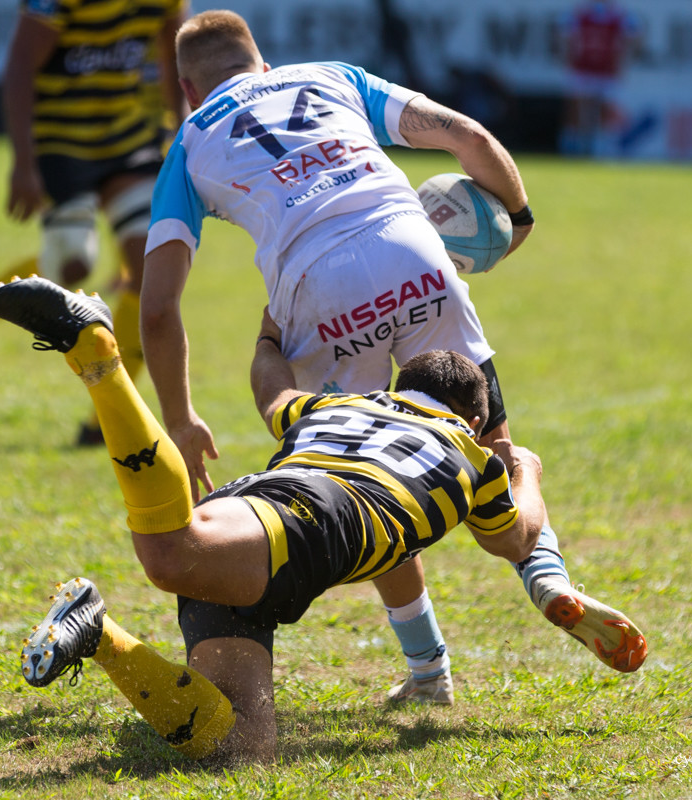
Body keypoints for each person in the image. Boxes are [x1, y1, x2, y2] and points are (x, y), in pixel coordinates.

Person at [139, 10, 643, 704]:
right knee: (491, 446)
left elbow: (158, 309)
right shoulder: (330, 78)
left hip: (318, 288)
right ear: (263, 64)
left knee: (363, 471)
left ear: (188, 90)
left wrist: (181, 418)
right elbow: (468, 137)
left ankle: (429, 670)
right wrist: (518, 218)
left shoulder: (191, 141)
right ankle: (548, 578)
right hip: (414, 253)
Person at [0, 275, 644, 764]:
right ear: (473, 418)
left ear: (399, 389)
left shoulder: (339, 405)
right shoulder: (474, 458)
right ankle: (100, 360)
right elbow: (519, 538)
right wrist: (526, 470)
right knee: (170, 554)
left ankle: (97, 634)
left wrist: (270, 331)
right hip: (315, 518)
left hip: (259, 513)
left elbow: (270, 388)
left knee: (240, 746)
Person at [0, 0, 188, 447]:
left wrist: (183, 131)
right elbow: (21, 66)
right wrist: (24, 163)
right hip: (62, 142)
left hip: (131, 139)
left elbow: (173, 52)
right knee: (70, 267)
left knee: (149, 269)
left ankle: (107, 420)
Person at [558, 0, 641, 157]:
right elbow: (565, 36)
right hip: (583, 67)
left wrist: (622, 63)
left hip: (606, 70)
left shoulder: (619, 16)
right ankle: (574, 146)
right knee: (578, 109)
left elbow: (633, 38)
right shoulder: (580, 13)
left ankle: (601, 147)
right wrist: (569, 59)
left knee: (605, 110)